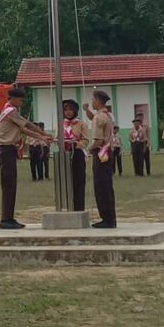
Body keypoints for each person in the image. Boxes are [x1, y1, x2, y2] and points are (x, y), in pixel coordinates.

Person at [0, 88, 51, 229]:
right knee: (8, 185)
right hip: (5, 149)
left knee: (11, 185)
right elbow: (27, 124)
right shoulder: (10, 111)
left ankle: (9, 217)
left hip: (8, 150)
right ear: (13, 98)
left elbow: (22, 130)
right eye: (20, 100)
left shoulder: (9, 112)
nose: (21, 103)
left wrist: (42, 138)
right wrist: (43, 132)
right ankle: (6, 219)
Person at [87, 92, 117, 228]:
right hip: (108, 152)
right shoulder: (108, 115)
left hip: (101, 153)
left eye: (93, 100)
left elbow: (98, 141)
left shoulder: (99, 117)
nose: (92, 102)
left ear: (98, 101)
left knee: (101, 186)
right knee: (107, 185)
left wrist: (88, 149)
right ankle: (110, 216)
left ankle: (106, 218)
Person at [61, 100, 89, 212]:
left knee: (78, 182)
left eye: (70, 109)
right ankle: (68, 207)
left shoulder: (80, 123)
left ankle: (79, 208)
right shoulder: (61, 123)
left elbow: (86, 140)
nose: (68, 112)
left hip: (77, 154)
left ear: (75, 111)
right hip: (64, 154)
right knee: (66, 182)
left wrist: (77, 144)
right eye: (66, 110)